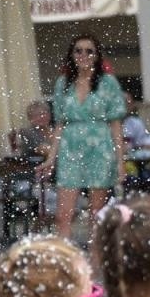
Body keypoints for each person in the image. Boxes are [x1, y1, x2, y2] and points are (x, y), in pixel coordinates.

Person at [48, 35, 125, 239]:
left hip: (100, 148)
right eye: (78, 50)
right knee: (63, 214)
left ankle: (95, 259)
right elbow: (59, 124)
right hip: (69, 148)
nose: (83, 55)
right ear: (72, 55)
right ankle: (66, 263)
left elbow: (116, 125)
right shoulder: (63, 84)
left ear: (97, 55)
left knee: (96, 214)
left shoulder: (108, 83)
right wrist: (50, 157)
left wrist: (120, 161)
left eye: (89, 51)